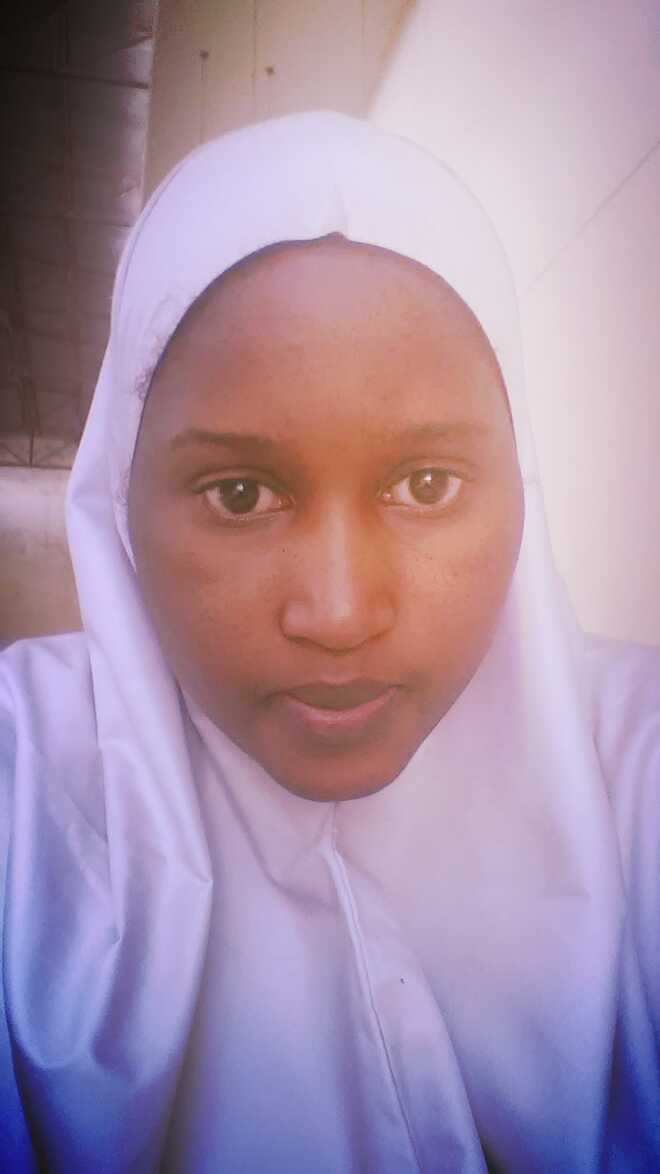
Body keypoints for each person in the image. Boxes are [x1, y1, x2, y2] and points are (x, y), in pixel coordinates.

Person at [0, 111, 657, 1172]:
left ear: (520, 483)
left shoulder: (636, 765)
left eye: (426, 485)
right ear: (122, 502)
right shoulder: (26, 778)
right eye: (241, 493)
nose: (340, 613)